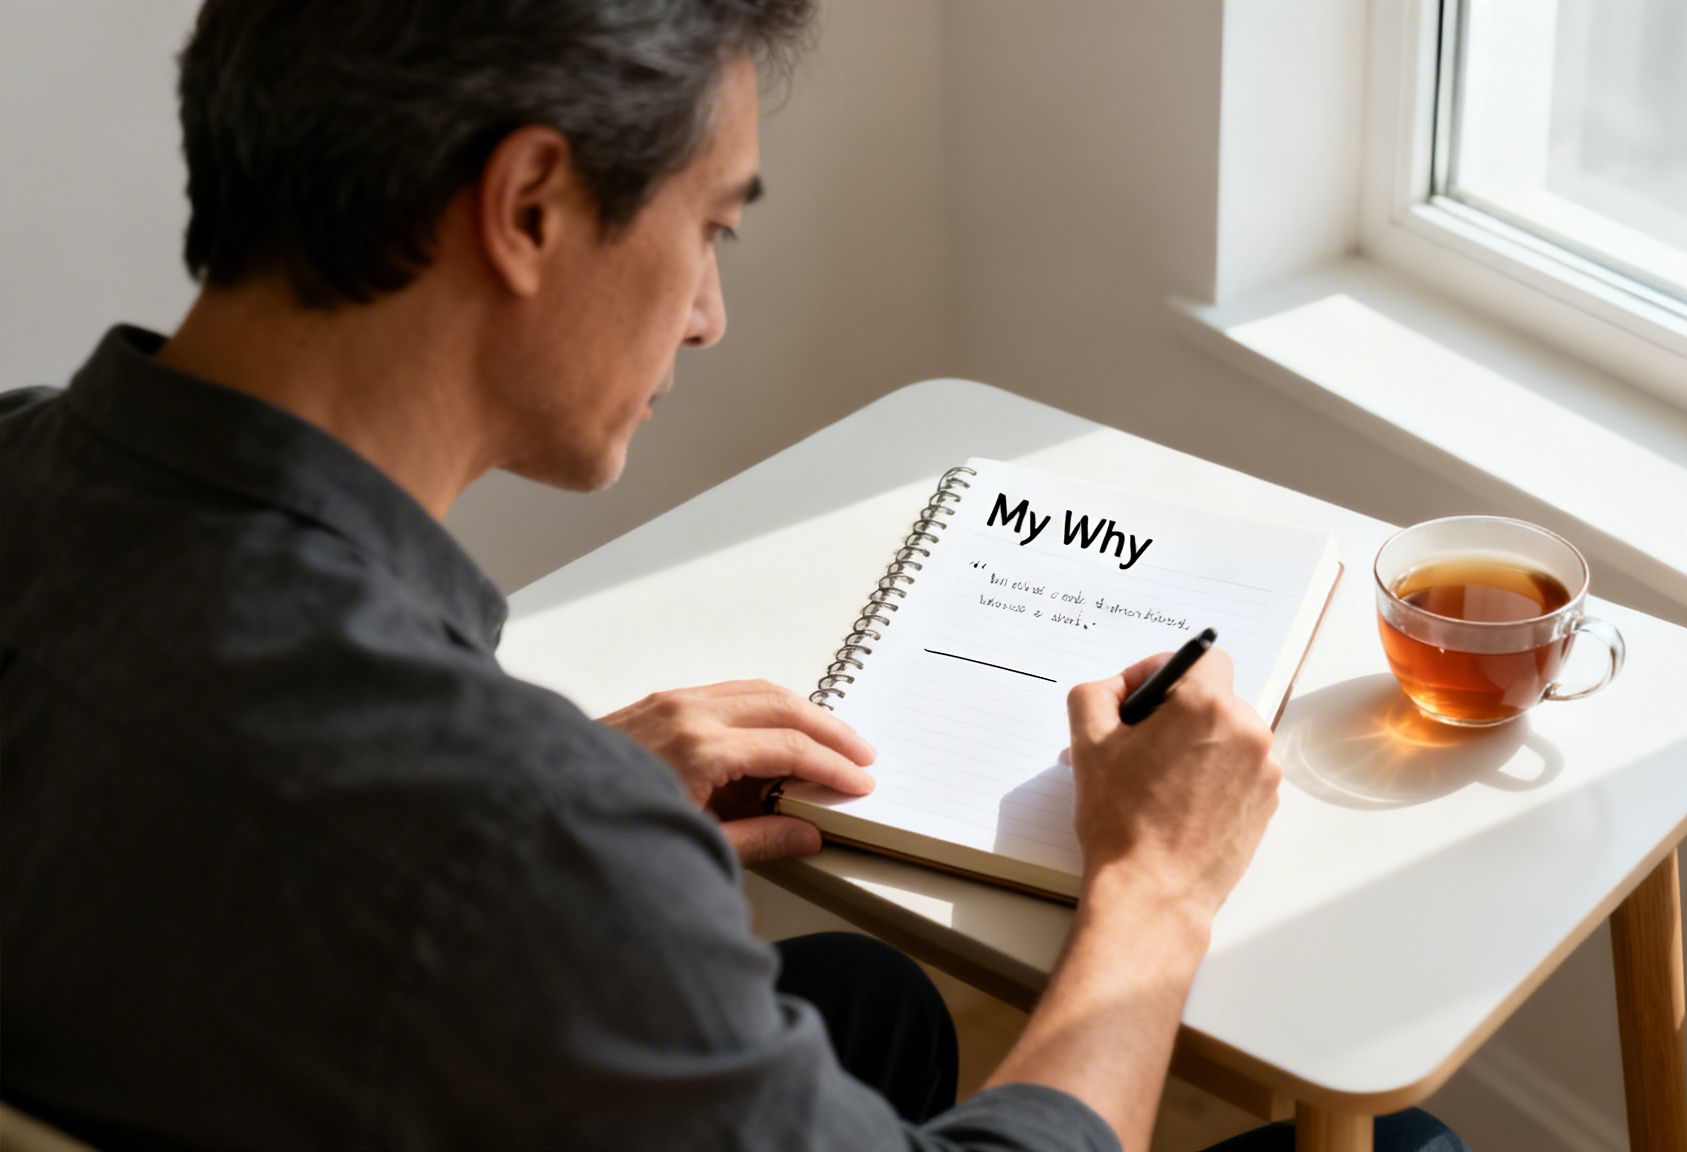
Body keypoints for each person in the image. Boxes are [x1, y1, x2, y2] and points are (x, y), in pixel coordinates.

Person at [0, 2, 1468, 1149]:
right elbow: (454, 859)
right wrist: (1155, 892)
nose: (707, 318)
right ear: (527, 207)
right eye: (710, 229)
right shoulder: (518, 849)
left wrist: (561, 788)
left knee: (865, 1009)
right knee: (1401, 1148)